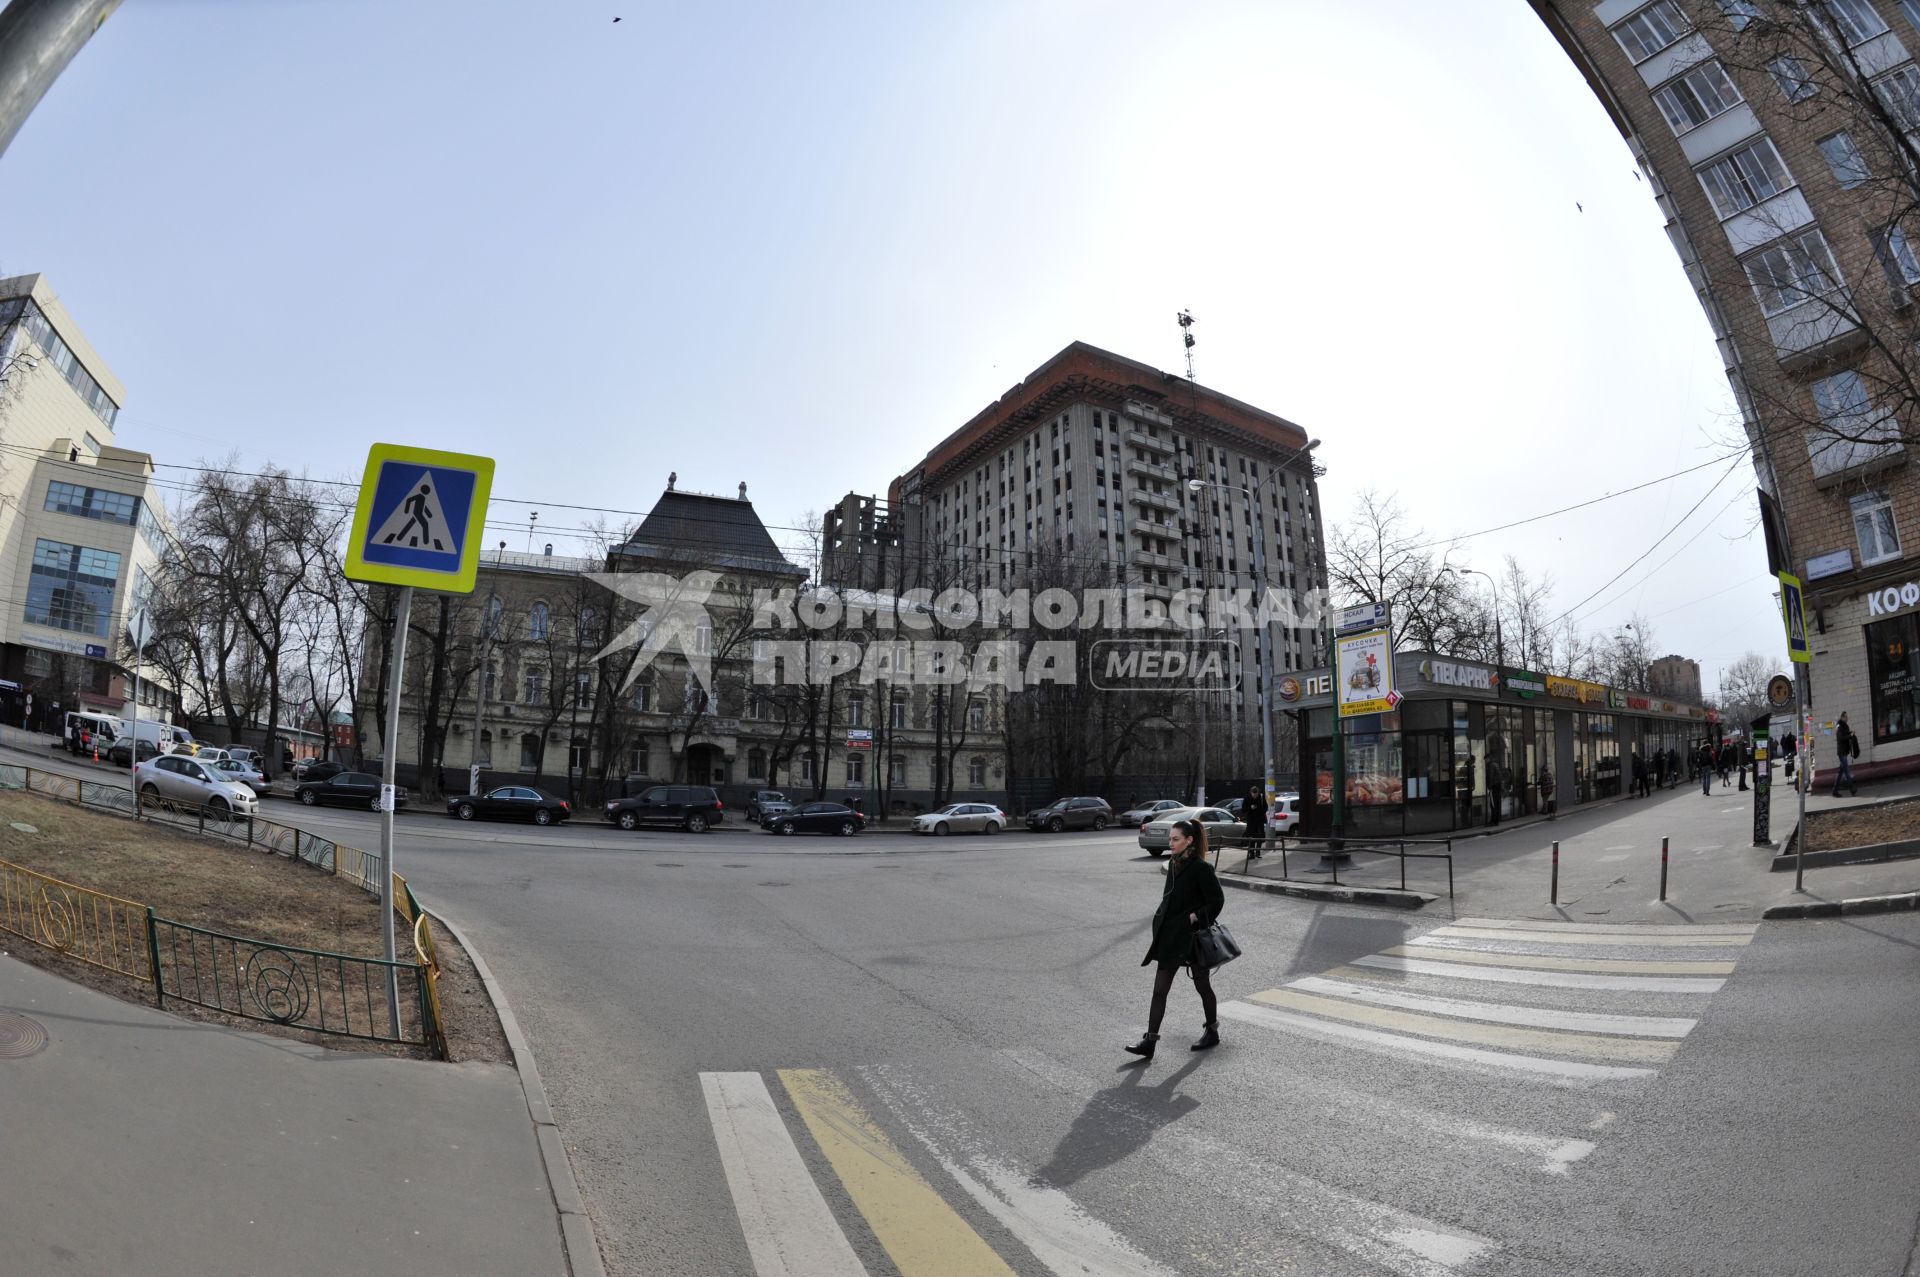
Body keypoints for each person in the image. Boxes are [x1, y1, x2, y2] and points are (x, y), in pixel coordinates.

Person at [1126, 818, 1225, 1060]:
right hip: (1171, 937)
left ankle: (1212, 1030)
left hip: (1192, 940)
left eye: (1175, 839)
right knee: (1159, 990)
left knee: (1203, 986)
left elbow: (1217, 900)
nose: (1171, 843)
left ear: (1189, 840)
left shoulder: (1201, 868)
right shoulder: (1173, 864)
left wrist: (1194, 917)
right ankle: (1149, 1041)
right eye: (1170, 839)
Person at [1834, 712, 1861, 797]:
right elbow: (1841, 738)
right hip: (1841, 753)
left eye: (1847, 717)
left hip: (1845, 751)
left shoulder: (1844, 726)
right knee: (1846, 771)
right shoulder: (1839, 727)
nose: (1847, 718)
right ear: (1842, 717)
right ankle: (1852, 789)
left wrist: (1850, 733)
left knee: (1840, 772)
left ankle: (1834, 791)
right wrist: (1850, 735)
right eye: (1846, 717)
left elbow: (1845, 735)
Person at [1244, 785, 1267, 858]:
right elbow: (1243, 809)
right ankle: (1252, 853)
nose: (1255, 796)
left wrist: (1261, 811)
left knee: (1260, 837)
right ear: (1251, 793)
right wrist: (1250, 808)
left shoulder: (1261, 798)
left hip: (1260, 820)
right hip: (1251, 821)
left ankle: (1258, 852)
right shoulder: (1247, 798)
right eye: (1254, 795)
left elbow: (1266, 807)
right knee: (1251, 837)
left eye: (1256, 794)